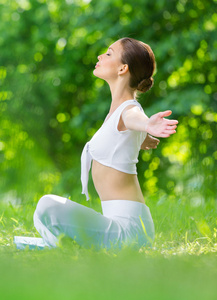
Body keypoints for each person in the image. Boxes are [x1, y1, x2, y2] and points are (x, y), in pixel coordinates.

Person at [32, 37, 178, 249]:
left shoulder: (129, 109)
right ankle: (65, 248)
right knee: (44, 209)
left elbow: (134, 117)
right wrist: (141, 137)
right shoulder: (116, 113)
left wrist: (147, 125)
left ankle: (62, 248)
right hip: (120, 224)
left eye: (109, 54)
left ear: (122, 69)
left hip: (130, 230)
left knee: (48, 205)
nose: (100, 56)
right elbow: (124, 132)